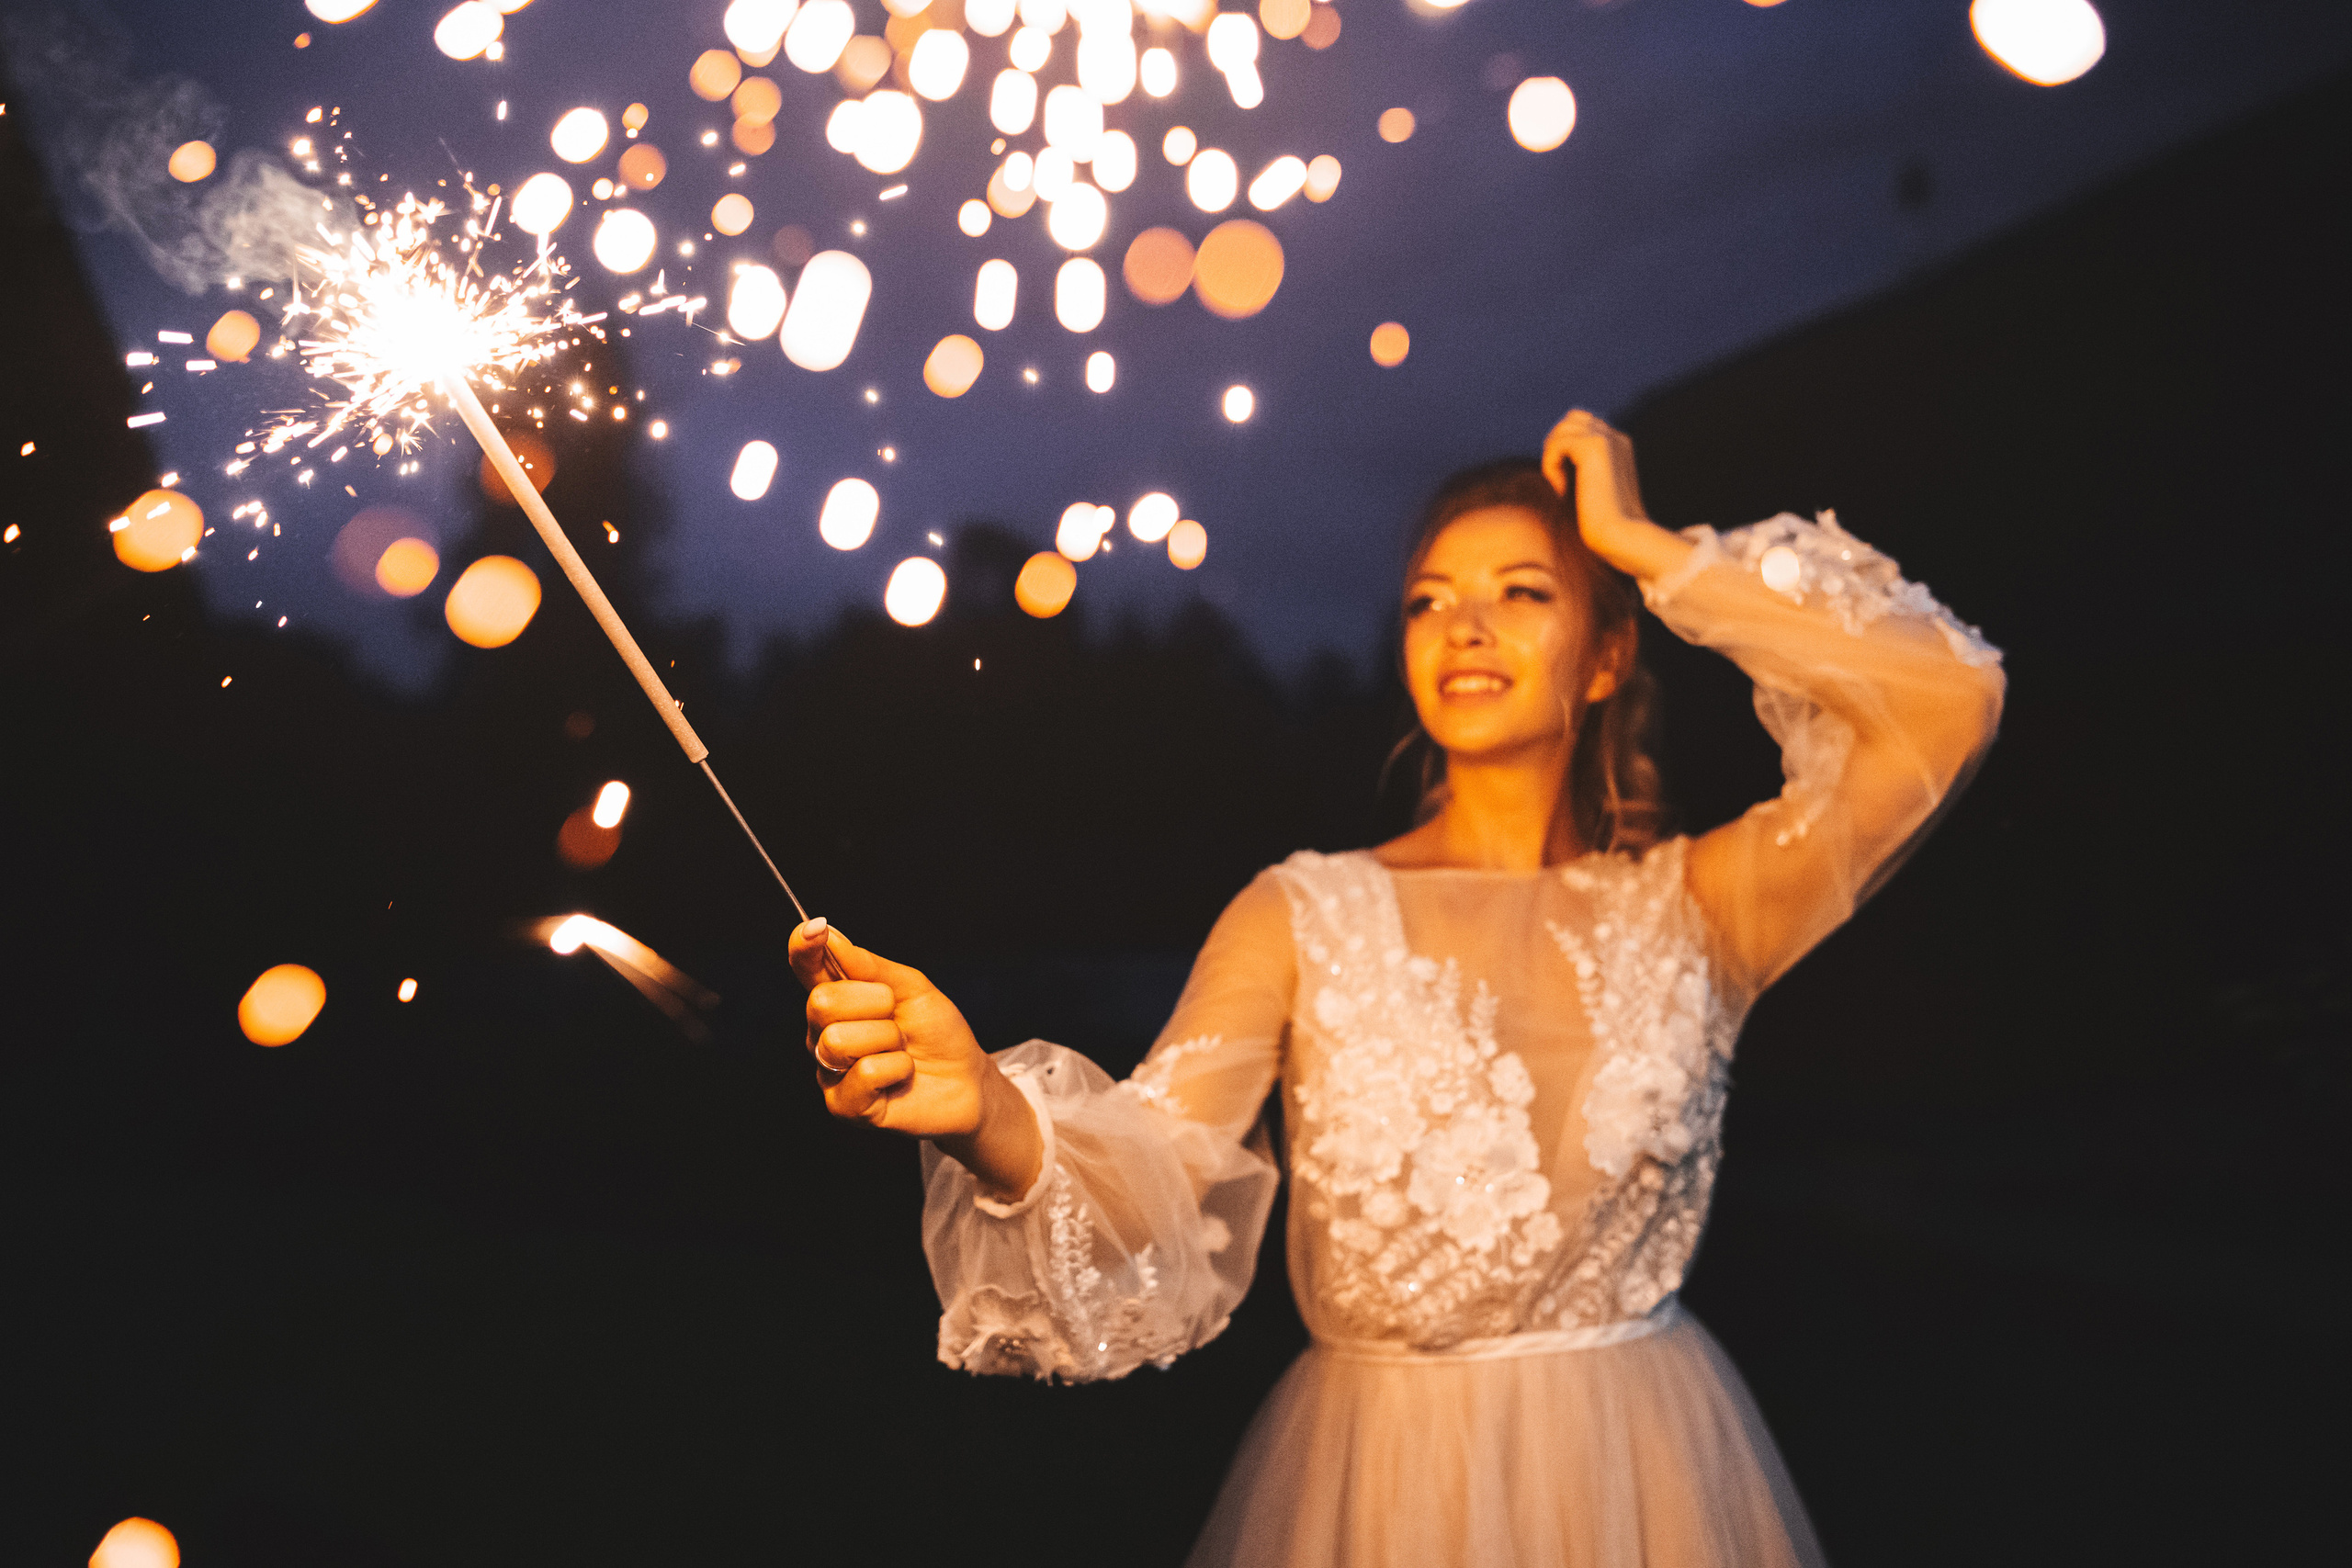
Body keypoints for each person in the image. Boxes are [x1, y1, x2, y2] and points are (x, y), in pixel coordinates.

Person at [787, 410, 2006, 1567]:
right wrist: (991, 1110)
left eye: (1521, 593)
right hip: (1378, 1489)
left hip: (1648, 1481)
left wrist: (1644, 546)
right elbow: (1156, 1176)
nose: (1464, 627)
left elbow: (1951, 703)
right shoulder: (1302, 915)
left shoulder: (1705, 906)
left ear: (1608, 656)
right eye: (1430, 601)